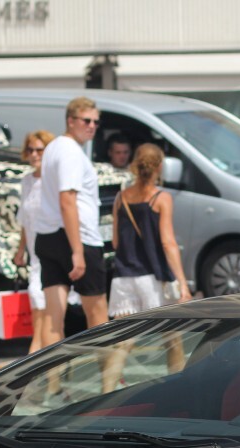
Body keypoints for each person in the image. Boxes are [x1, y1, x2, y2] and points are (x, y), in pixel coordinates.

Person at [35, 96, 108, 349]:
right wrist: (77, 251)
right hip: (78, 238)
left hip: (48, 236)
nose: (92, 126)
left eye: (96, 122)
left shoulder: (53, 147)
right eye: (86, 120)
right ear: (70, 120)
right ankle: (108, 384)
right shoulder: (70, 151)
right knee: (98, 316)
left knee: (53, 320)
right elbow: (67, 199)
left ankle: (53, 386)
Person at [109, 143, 188, 316]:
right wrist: (182, 283)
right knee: (166, 337)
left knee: (125, 340)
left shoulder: (120, 197)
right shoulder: (161, 198)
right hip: (152, 277)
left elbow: (115, 242)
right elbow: (168, 243)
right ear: (160, 167)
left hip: (123, 278)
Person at [12, 129, 55, 353]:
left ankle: (36, 350)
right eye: (31, 150)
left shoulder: (53, 180)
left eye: (40, 149)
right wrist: (20, 250)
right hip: (34, 253)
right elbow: (24, 219)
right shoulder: (27, 181)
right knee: (38, 301)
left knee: (41, 301)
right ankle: (39, 351)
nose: (35, 154)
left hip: (51, 250)